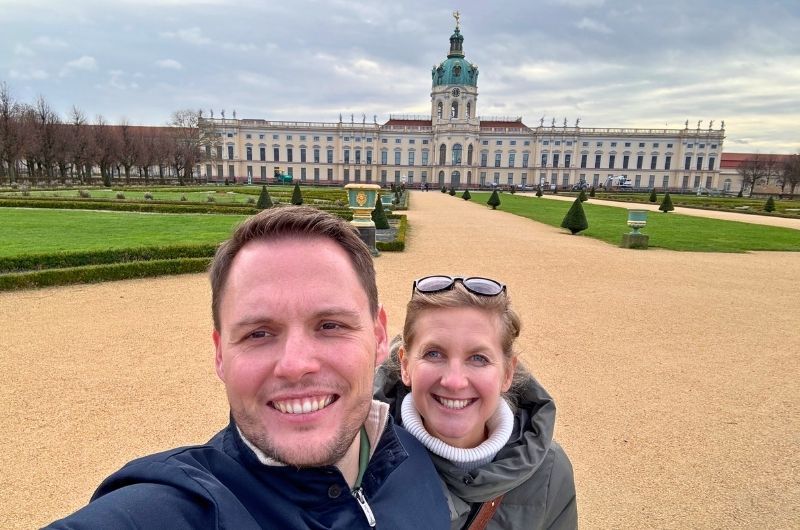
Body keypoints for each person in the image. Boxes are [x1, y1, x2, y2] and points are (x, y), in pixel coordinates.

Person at [47, 207, 450, 529]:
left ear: (380, 336)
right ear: (220, 354)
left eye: (330, 325)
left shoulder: (415, 456)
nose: (295, 365)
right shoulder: (174, 508)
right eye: (259, 333)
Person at [374, 275, 577, 529]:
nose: (455, 381)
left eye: (478, 358)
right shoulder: (357, 455)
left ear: (507, 374)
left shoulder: (550, 472)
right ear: (405, 365)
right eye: (434, 353)